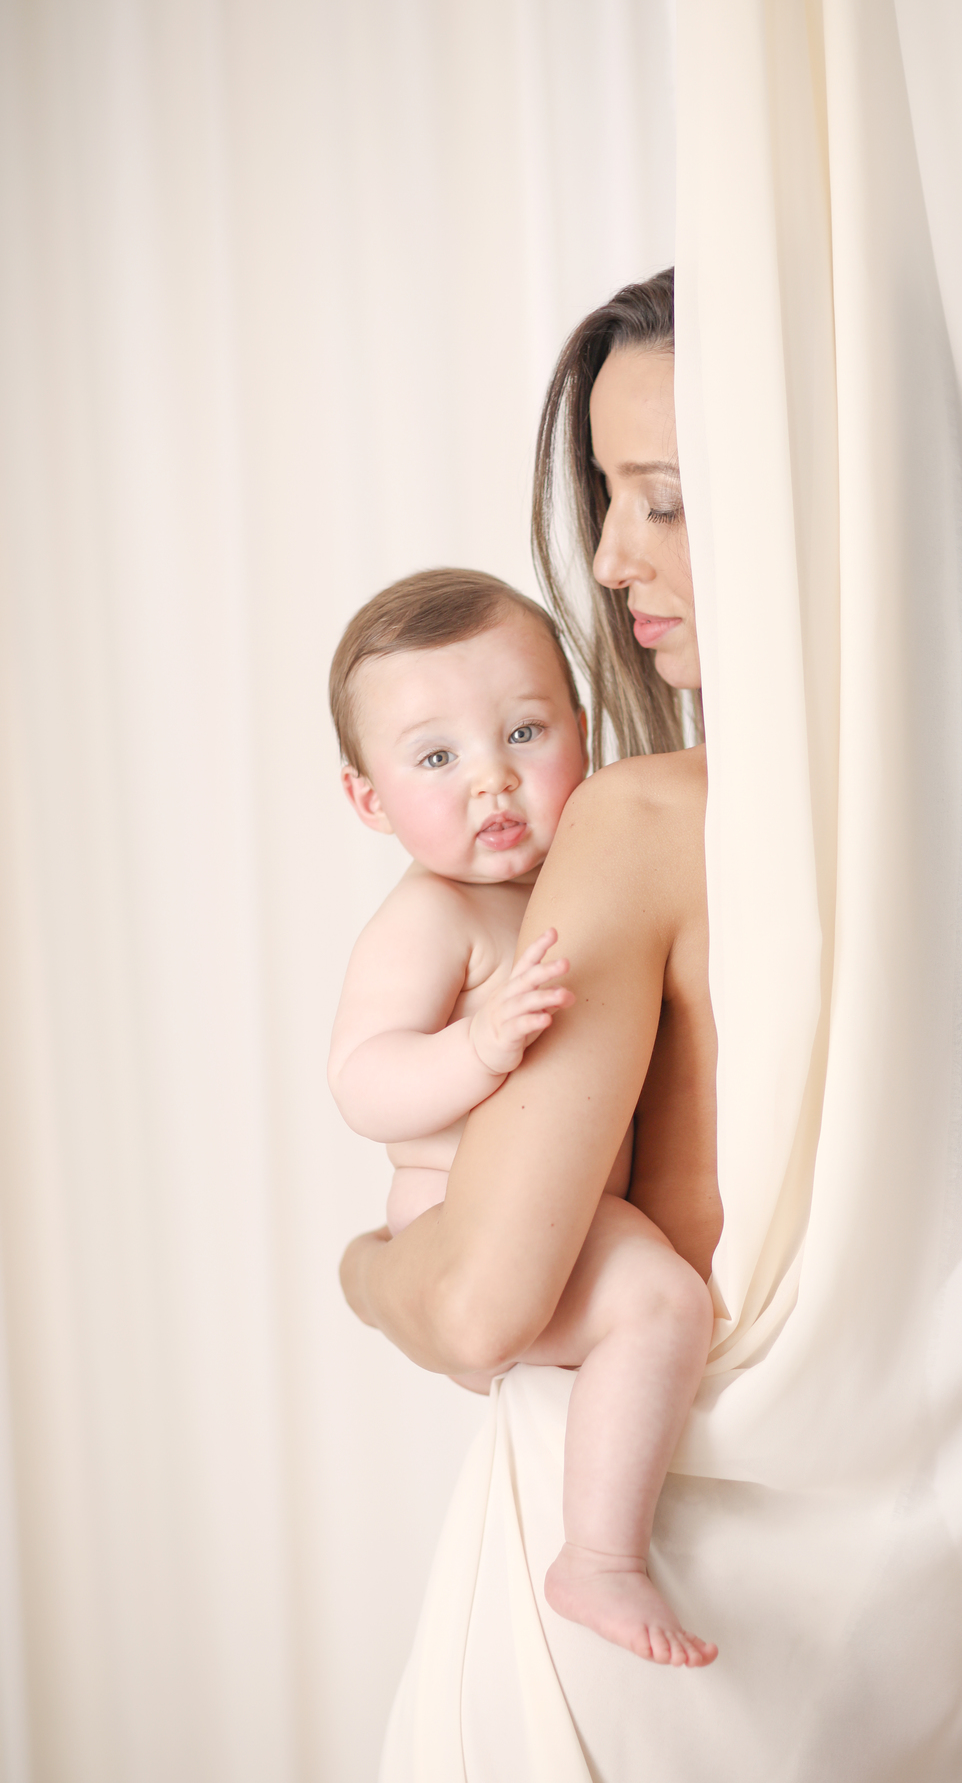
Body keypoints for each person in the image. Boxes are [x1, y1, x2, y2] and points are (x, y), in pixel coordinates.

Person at [328, 564, 717, 1666]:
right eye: (437, 758)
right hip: (459, 1221)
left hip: (563, 1222)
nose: (493, 784)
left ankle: (603, 1541)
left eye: (525, 734)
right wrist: (476, 1046)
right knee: (660, 1306)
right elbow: (363, 1080)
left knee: (654, 1305)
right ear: (369, 799)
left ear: (581, 734)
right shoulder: (430, 915)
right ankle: (597, 1557)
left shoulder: (584, 877)